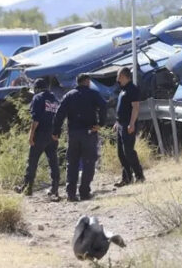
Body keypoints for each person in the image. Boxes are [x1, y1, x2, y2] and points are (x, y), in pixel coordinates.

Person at [52, 74, 107, 202]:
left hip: (73, 134)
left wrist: (56, 131)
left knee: (72, 163)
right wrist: (100, 124)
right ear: (87, 81)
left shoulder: (69, 95)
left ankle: (71, 194)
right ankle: (84, 192)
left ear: (77, 82)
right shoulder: (93, 94)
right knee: (89, 162)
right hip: (89, 132)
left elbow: (59, 114)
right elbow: (103, 106)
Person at [14, 78, 60, 198]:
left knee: (32, 161)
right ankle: (54, 188)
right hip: (53, 134)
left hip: (40, 134)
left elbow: (36, 120)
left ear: (37, 88)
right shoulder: (54, 98)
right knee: (53, 162)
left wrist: (31, 135)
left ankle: (27, 188)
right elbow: (59, 117)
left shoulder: (38, 98)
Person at [113, 67, 145, 187]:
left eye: (119, 76)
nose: (117, 79)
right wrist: (117, 122)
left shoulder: (132, 89)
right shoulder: (122, 90)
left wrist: (131, 123)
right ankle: (126, 178)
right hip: (121, 124)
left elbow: (135, 108)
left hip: (128, 125)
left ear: (126, 76)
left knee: (129, 152)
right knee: (121, 153)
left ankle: (139, 176)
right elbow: (122, 108)